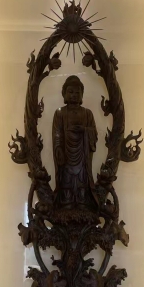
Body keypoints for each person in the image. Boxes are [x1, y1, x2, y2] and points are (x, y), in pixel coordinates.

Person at [52, 76, 98, 210]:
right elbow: (57, 133)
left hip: (82, 153)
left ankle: (82, 200)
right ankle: (67, 201)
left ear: (82, 94)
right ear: (64, 94)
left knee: (82, 176)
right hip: (66, 153)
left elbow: (94, 132)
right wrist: (58, 148)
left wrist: (84, 130)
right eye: (70, 92)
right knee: (66, 177)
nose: (74, 95)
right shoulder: (60, 113)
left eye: (77, 92)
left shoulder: (87, 113)